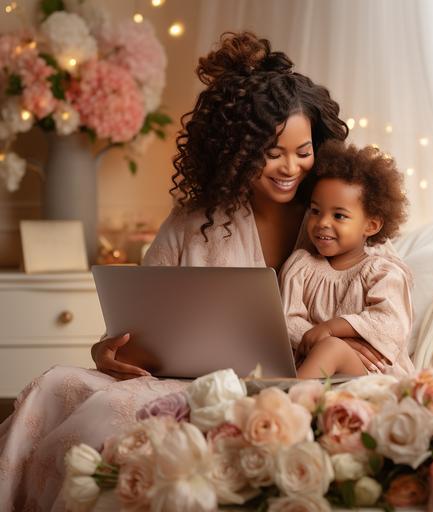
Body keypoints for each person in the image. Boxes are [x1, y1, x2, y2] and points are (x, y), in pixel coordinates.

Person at [1, 31, 381, 511]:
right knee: (57, 385)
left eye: (303, 151)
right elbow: (140, 320)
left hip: (289, 389)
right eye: (272, 152)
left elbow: (374, 296)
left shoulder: (335, 216)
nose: (290, 167)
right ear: (237, 149)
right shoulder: (193, 221)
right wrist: (106, 350)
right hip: (188, 380)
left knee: (114, 421)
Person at [280, 140, 416, 378]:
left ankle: (285, 407)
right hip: (317, 372)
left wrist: (332, 330)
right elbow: (286, 321)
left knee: (331, 348)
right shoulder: (301, 266)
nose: (323, 222)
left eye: (339, 215)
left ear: (371, 225)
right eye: (315, 211)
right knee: (326, 349)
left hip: (372, 376)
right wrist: (320, 338)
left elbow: (390, 323)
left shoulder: (382, 272)